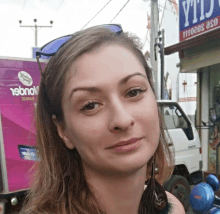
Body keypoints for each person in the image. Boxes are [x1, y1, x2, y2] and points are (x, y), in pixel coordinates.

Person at [20, 24, 185, 214]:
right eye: (90, 105)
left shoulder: (170, 209)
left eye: (134, 92)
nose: (122, 120)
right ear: (63, 130)